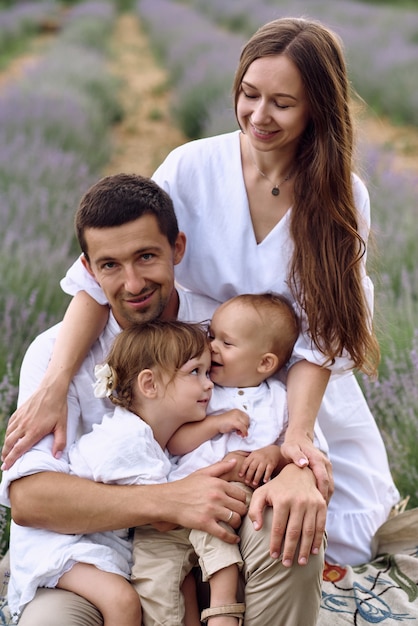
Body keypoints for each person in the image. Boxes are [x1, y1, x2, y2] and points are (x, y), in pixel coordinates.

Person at [6, 15, 398, 566]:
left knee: (335, 542)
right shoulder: (192, 167)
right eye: (248, 94)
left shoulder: (338, 194)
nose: (259, 116)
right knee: (195, 519)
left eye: (282, 103)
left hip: (296, 390)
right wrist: (55, 382)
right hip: (200, 374)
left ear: (317, 108)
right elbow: (101, 278)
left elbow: (323, 332)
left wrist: (298, 438)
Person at [0, 173, 326, 626]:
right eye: (110, 265)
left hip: (212, 537)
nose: (132, 283)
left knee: (286, 519)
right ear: (88, 270)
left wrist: (296, 472)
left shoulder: (224, 329)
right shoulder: (55, 355)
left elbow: (283, 417)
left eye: (146, 257)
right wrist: (169, 500)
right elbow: (32, 501)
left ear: (177, 249)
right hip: (94, 557)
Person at [134, 293, 329, 626]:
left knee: (223, 548)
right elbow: (174, 442)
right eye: (211, 335)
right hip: (186, 496)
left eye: (226, 342)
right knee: (164, 577)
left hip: (241, 499)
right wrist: (213, 423)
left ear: (265, 363)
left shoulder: (279, 398)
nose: (211, 347)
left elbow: (299, 451)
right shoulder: (202, 389)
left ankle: (224, 614)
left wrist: (272, 453)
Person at [8, 320, 214, 626]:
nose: (209, 384)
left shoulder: (151, 441)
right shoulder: (128, 440)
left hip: (91, 544)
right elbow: (166, 515)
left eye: (208, 372)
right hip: (59, 544)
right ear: (149, 385)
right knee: (121, 600)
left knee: (170, 578)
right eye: (195, 372)